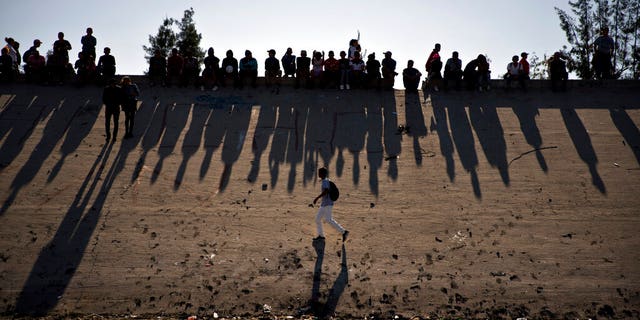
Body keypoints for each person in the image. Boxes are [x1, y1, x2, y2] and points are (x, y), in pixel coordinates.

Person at [313, 167, 349, 242]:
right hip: (324, 204)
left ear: (322, 174)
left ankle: (344, 232)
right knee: (317, 219)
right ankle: (321, 236)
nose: (318, 174)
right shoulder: (325, 180)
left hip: (327, 204)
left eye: (319, 172)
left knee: (328, 219)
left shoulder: (325, 181)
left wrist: (317, 198)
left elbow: (326, 191)